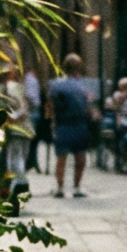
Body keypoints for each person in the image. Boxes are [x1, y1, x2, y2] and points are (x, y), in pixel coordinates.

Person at [47, 52, 95, 197]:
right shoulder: (84, 86)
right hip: (79, 124)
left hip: (63, 124)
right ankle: (76, 187)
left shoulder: (55, 85)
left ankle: (60, 187)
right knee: (80, 158)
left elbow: (50, 106)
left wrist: (52, 122)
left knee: (62, 157)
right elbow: (89, 106)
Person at [1, 61, 33, 200]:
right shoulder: (22, 87)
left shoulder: (9, 88)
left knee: (13, 159)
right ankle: (19, 184)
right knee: (20, 158)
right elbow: (26, 107)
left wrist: (11, 119)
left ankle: (18, 185)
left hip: (14, 128)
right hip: (24, 127)